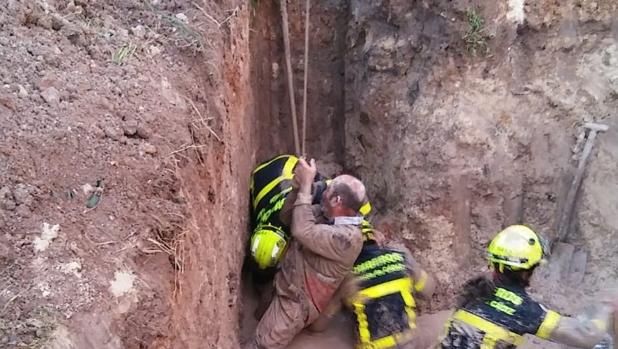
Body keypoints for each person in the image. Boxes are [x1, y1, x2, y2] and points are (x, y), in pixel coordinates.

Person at [245, 158, 366, 349]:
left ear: (337, 201)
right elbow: (287, 217)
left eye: (328, 191)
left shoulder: (347, 240)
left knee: (260, 345)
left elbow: (302, 231)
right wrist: (297, 187)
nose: (323, 192)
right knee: (259, 315)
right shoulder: (327, 215)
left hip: (296, 303)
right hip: (285, 282)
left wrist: (307, 186)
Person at [437, 224, 616, 349]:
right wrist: (606, 307)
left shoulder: (474, 292)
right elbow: (586, 337)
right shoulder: (525, 311)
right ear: (526, 272)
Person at [310, 221, 438, 349]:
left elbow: (317, 327)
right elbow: (429, 291)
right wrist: (415, 270)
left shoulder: (345, 275)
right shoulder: (401, 256)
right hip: (411, 344)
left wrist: (337, 297)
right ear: (376, 237)